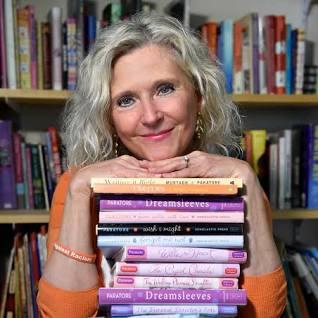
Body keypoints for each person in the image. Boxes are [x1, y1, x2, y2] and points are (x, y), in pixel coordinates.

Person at [37, 13, 287, 318]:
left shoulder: (238, 181)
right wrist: (78, 192)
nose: (151, 116)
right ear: (108, 117)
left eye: (164, 89)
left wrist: (247, 180)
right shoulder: (77, 186)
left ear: (199, 96)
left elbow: (263, 312)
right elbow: (63, 315)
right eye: (126, 100)